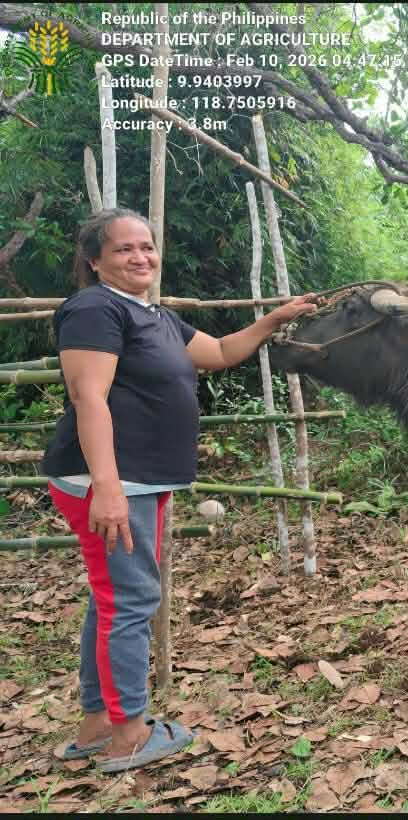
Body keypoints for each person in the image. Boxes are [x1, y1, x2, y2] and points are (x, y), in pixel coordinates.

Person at [41, 208, 316, 773]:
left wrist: (274, 319)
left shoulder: (153, 315)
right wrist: (109, 487)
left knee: (112, 597)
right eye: (124, 250)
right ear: (95, 261)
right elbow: (87, 397)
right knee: (132, 601)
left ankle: (97, 725)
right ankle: (130, 737)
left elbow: (216, 353)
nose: (140, 256)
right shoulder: (95, 309)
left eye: (146, 246)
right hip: (115, 483)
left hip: (141, 479)